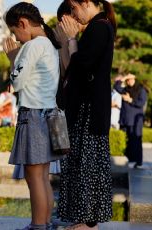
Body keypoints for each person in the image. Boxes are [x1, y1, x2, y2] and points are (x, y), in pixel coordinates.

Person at [3, 2, 64, 230]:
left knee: (33, 175)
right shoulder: (48, 44)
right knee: (43, 175)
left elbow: (17, 82)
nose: (16, 38)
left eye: (14, 32)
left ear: (23, 23)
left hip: (33, 115)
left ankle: (38, 225)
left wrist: (12, 58)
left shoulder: (32, 46)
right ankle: (44, 223)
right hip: (47, 115)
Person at [57, 0, 117, 229]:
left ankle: (89, 223)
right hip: (89, 107)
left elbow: (81, 67)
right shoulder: (99, 26)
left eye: (73, 8)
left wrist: (71, 40)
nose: (73, 14)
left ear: (85, 3)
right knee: (84, 163)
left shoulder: (99, 27)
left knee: (89, 164)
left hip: (90, 108)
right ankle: (84, 219)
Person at [114, 73, 147, 168]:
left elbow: (141, 103)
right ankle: (128, 159)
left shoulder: (141, 90)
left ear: (135, 79)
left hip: (135, 121)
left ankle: (138, 161)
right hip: (125, 119)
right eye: (127, 80)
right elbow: (116, 86)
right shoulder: (125, 89)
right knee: (126, 141)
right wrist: (124, 78)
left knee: (136, 141)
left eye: (131, 79)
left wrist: (130, 100)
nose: (129, 81)